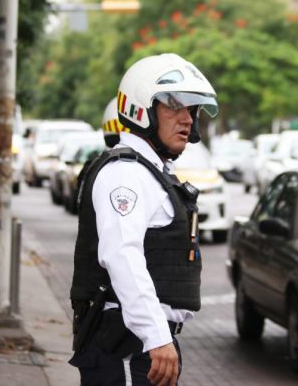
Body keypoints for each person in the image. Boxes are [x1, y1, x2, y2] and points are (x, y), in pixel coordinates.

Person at [69, 53, 218, 386]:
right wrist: (156, 337)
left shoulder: (150, 172)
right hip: (125, 343)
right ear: (142, 109)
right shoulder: (126, 175)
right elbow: (122, 256)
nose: (188, 120)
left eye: (191, 110)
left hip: (141, 342)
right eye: (174, 107)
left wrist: (158, 338)